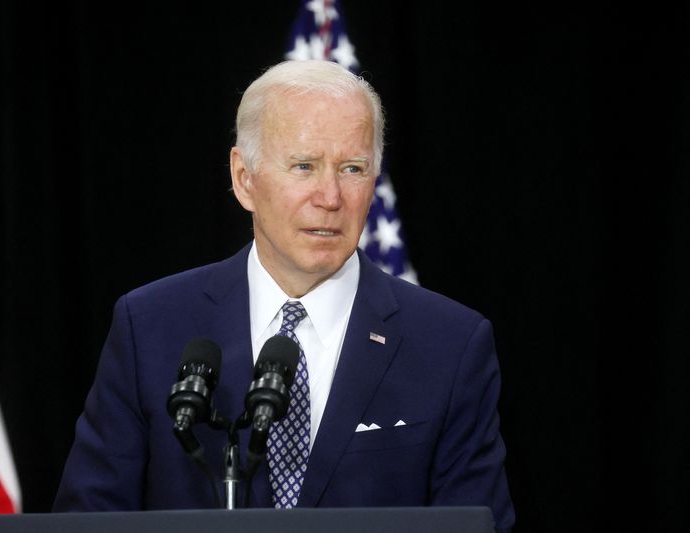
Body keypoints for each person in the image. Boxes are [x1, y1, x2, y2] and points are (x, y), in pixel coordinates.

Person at [53, 59, 514, 532]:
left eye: (352, 168)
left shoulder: (450, 344)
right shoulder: (149, 327)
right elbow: (87, 520)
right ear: (244, 178)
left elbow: (477, 523)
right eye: (304, 166)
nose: (331, 197)